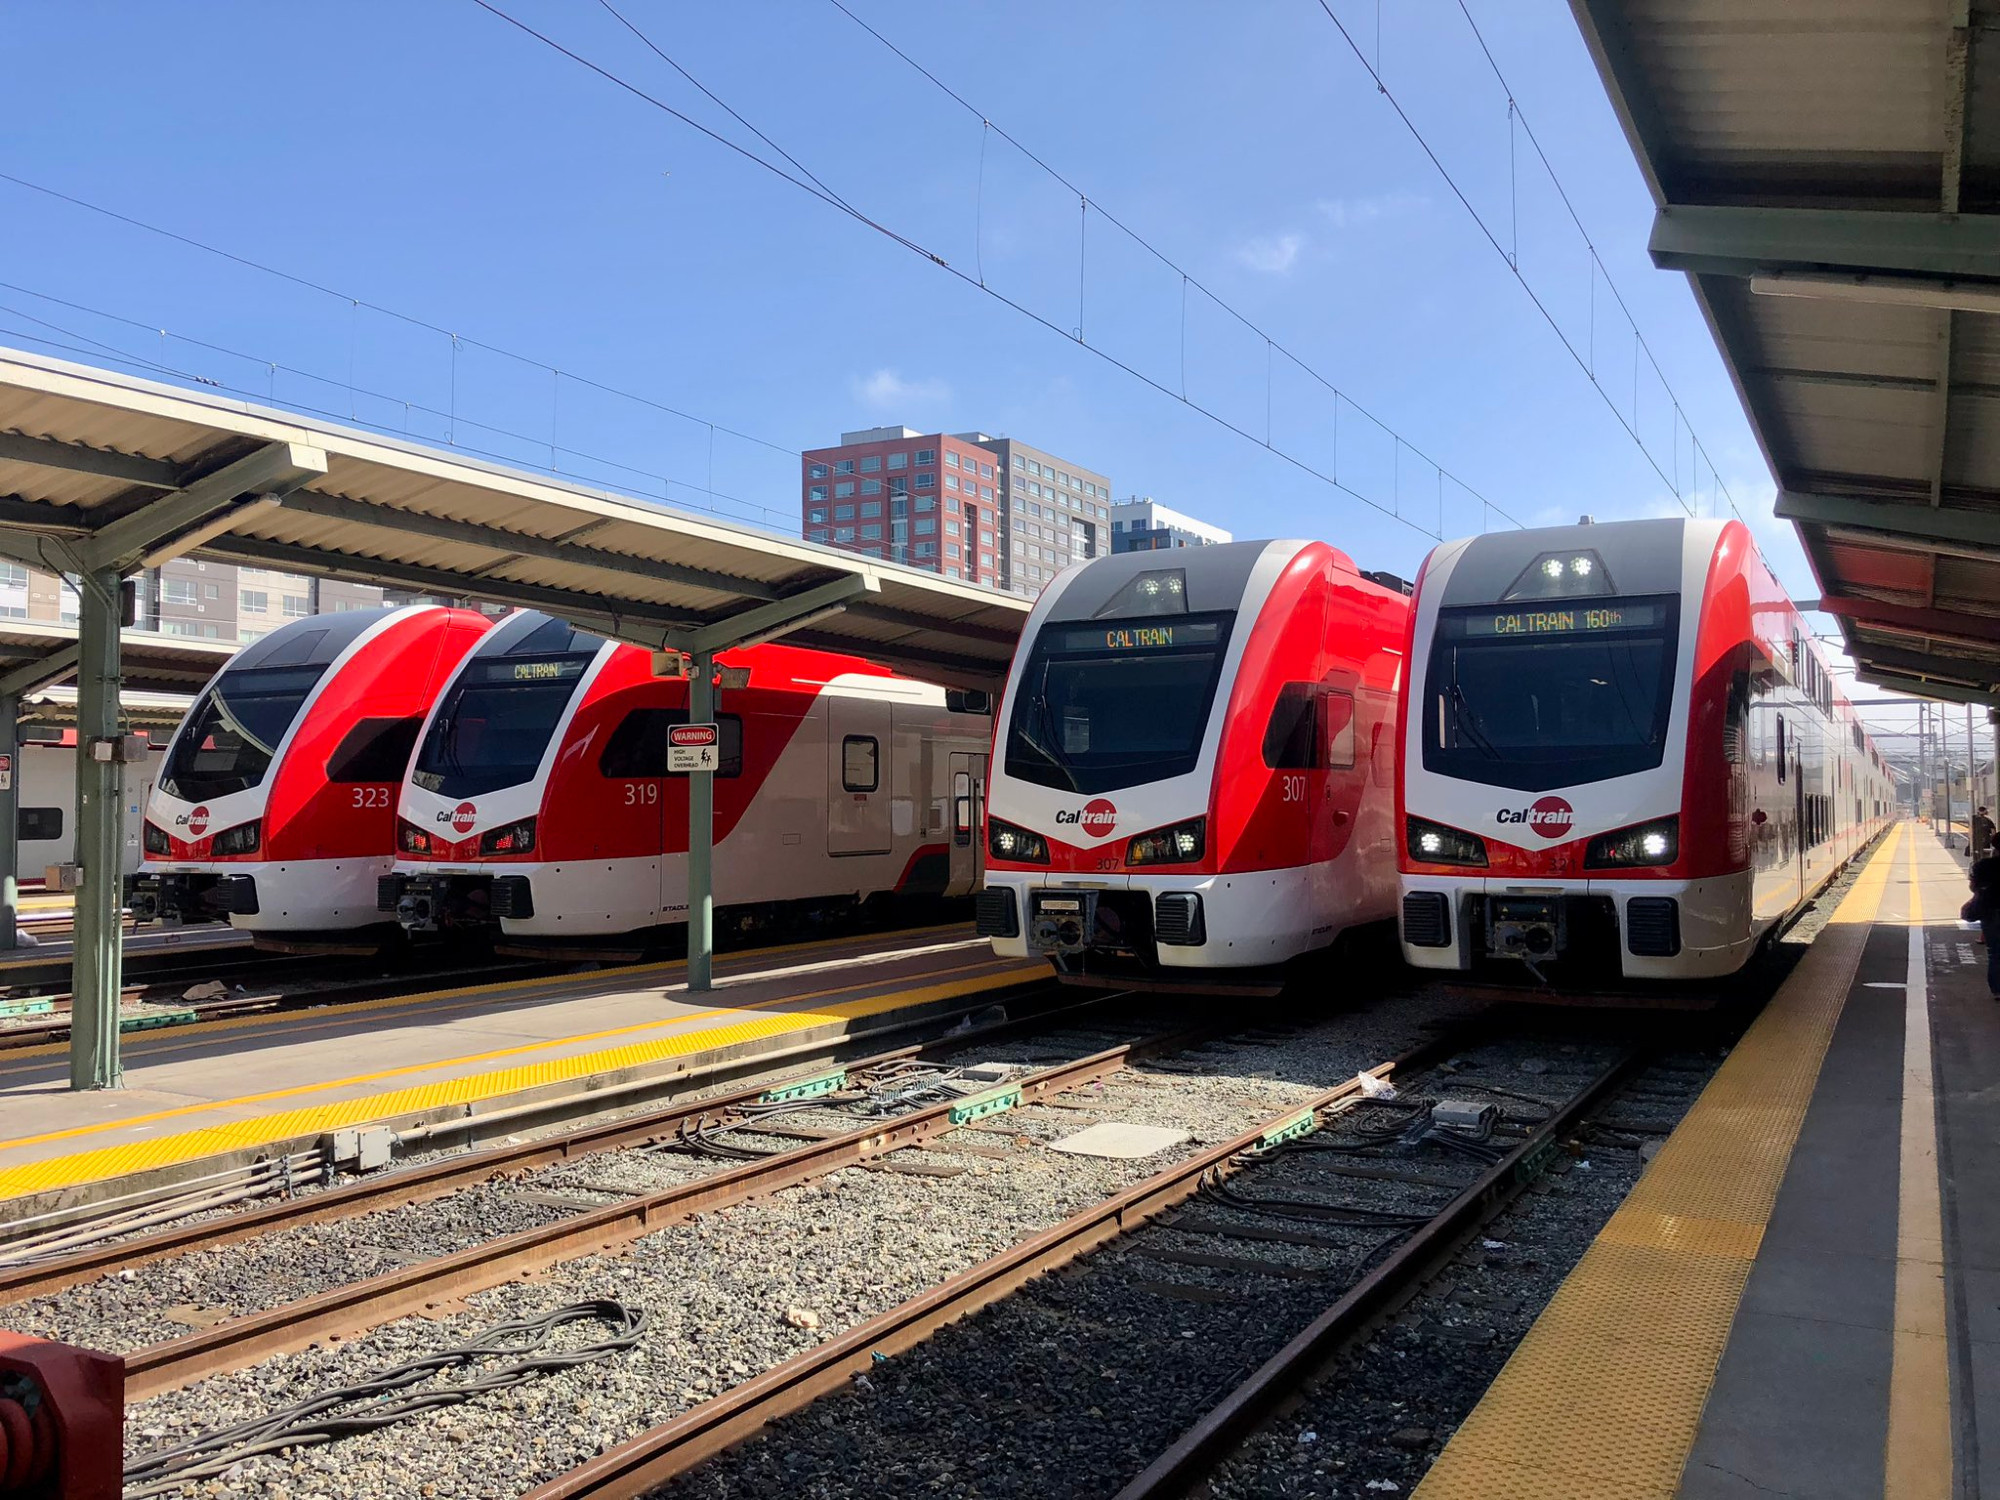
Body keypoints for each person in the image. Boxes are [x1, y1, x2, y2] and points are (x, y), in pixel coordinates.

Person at [1967, 852, 2000, 998]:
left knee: (1995, 952)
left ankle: (1997, 989)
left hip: (1990, 911)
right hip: (1991, 911)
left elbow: (1973, 887)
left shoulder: (1983, 865)